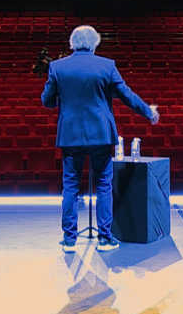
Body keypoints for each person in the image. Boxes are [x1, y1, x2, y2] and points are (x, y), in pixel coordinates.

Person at [41, 25, 159, 253]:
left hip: (71, 135)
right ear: (95, 44)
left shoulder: (57, 67)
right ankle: (105, 238)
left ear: (71, 43)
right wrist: (148, 111)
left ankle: (69, 239)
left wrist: (64, 101)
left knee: (70, 187)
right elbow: (127, 95)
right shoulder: (107, 65)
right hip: (101, 135)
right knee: (104, 185)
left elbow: (47, 100)